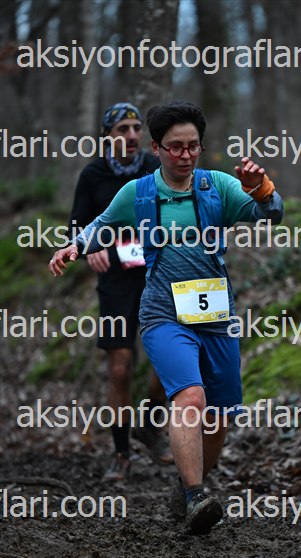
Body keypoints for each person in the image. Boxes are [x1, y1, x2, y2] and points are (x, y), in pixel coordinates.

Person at [49, 101, 284, 533]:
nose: (185, 155)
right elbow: (100, 225)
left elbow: (271, 216)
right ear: (156, 148)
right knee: (190, 398)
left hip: (216, 315)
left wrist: (261, 189)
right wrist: (75, 247)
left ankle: (187, 488)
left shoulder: (218, 186)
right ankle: (196, 496)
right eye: (175, 147)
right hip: (163, 313)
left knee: (219, 416)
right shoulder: (137, 193)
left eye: (193, 146)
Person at [68, 102, 172, 482]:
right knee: (119, 368)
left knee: (169, 359)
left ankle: (150, 424)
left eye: (136, 128)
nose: (131, 135)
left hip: (158, 273)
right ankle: (121, 454)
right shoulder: (93, 175)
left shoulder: (155, 168)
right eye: (122, 130)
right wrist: (89, 249)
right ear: (107, 137)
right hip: (115, 280)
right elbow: (76, 228)